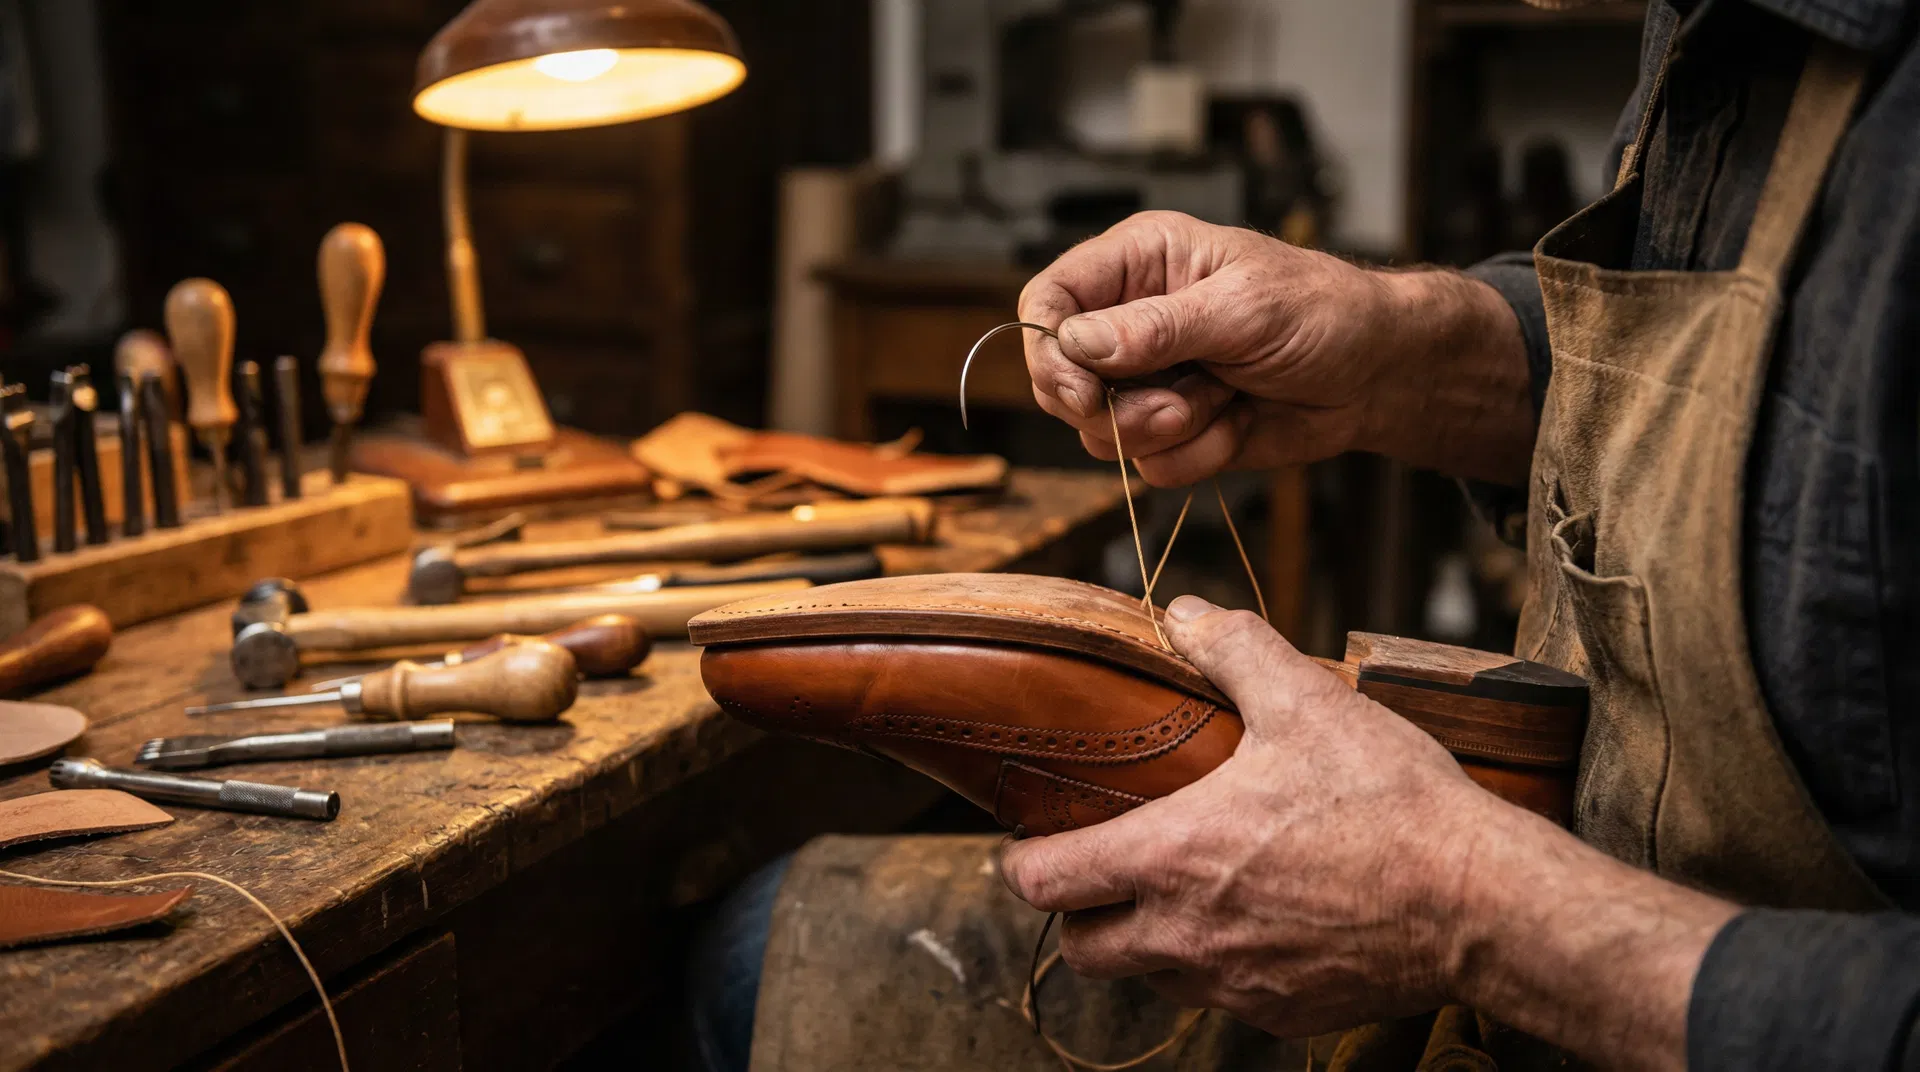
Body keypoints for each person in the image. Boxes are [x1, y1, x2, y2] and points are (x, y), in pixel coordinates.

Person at [690, 2, 1918, 1068]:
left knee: (745, 966)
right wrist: (1396, 352)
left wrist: (1470, 912)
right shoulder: (1726, 32)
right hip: (1557, 913)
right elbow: (1723, 403)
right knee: (755, 935)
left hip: (1618, 984)